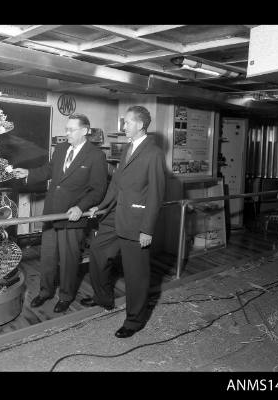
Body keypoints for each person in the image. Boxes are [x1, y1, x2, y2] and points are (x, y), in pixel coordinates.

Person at [82, 106, 166, 338]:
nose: (124, 126)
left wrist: (147, 229)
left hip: (136, 222)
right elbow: (116, 184)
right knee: (98, 253)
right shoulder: (129, 147)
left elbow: (156, 194)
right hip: (114, 216)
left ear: (139, 125)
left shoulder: (154, 153)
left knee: (135, 274)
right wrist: (100, 208)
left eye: (127, 122)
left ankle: (134, 320)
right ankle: (103, 297)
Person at [12, 114, 108, 313]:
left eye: (71, 130)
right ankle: (45, 292)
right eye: (66, 129)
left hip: (72, 216)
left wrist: (80, 208)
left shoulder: (96, 155)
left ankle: (65, 296)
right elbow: (48, 170)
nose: (67, 133)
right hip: (52, 213)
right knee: (47, 257)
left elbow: (98, 189)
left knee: (68, 260)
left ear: (85, 131)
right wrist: (29, 173)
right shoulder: (61, 149)